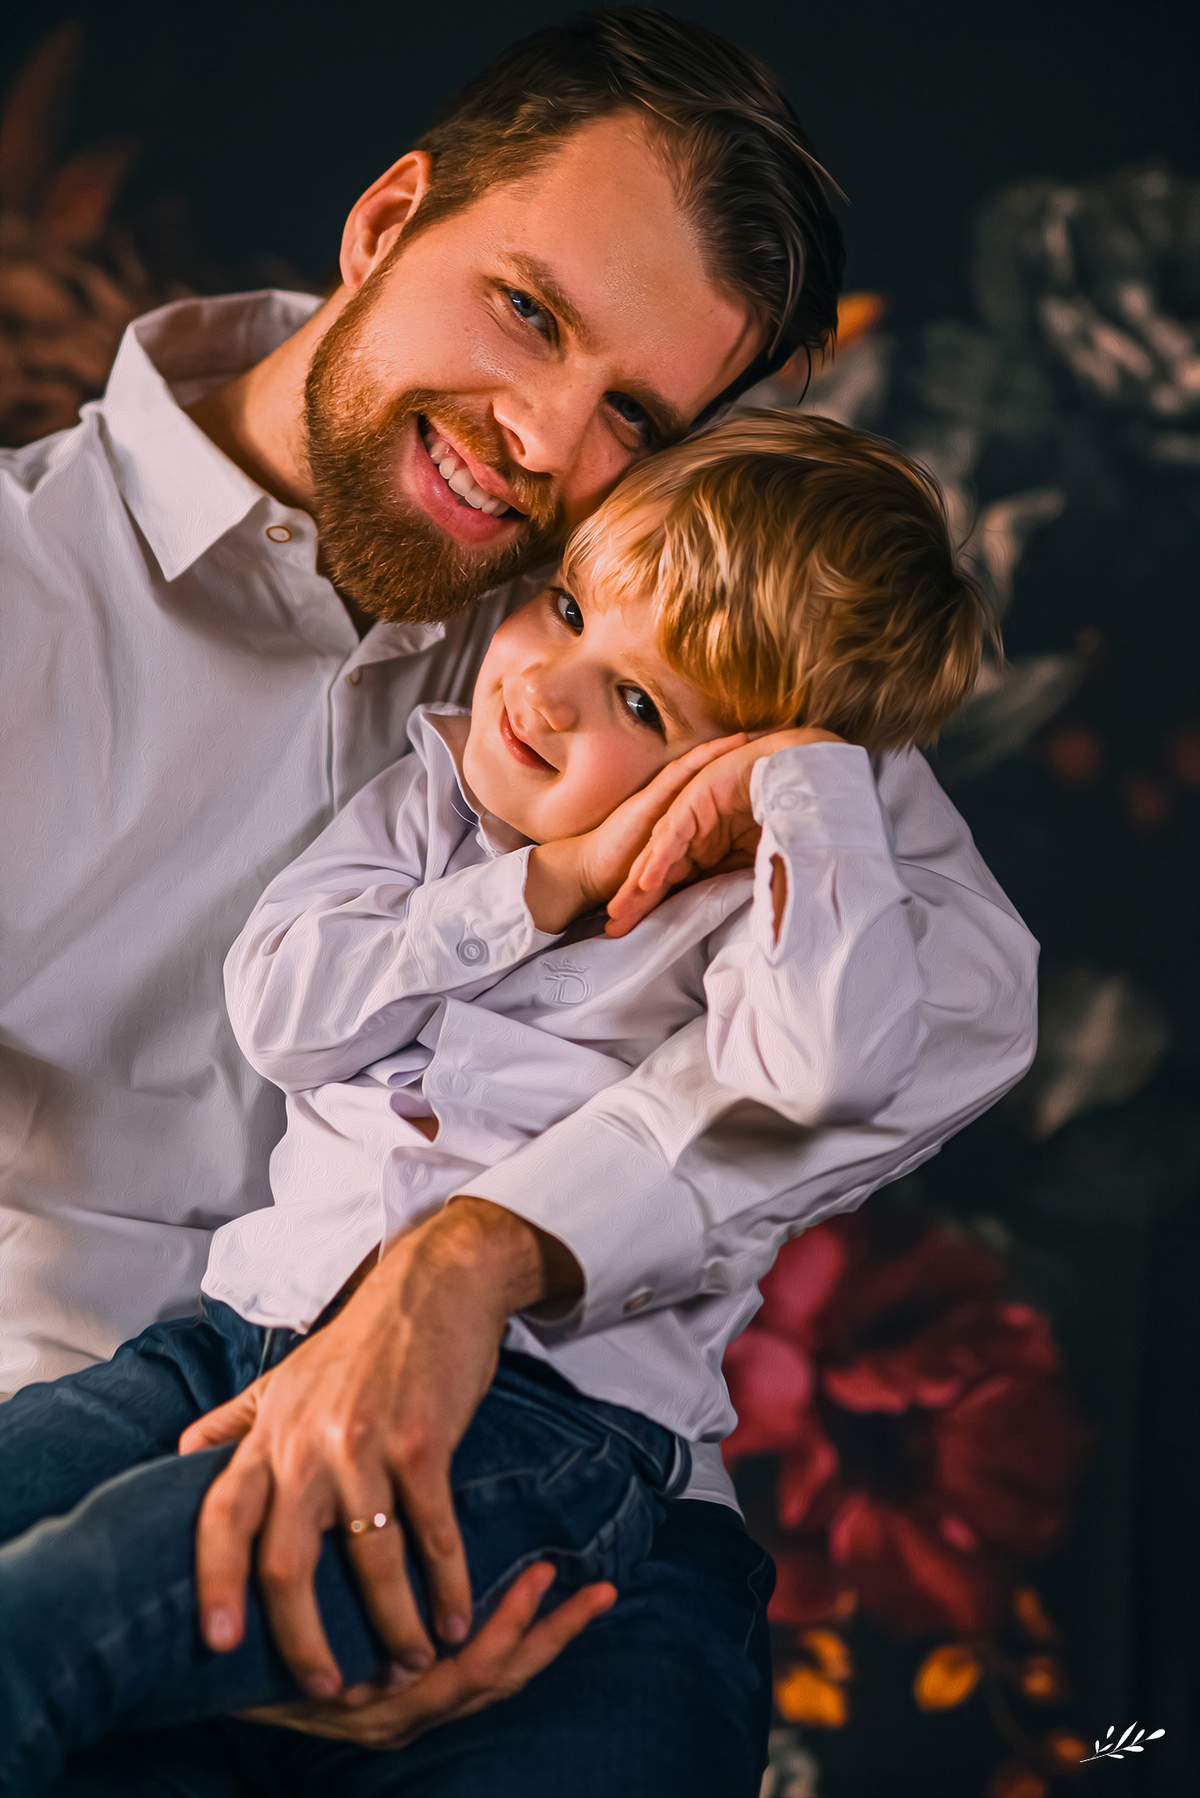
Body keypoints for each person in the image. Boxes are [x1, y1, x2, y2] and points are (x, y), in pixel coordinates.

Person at [0, 8, 1033, 1788]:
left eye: (634, 410)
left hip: (562, 1518)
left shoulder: (647, 592)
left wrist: (488, 1252)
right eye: (530, 312)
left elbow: (957, 993)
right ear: (388, 218)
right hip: (104, 1442)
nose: (546, 442)